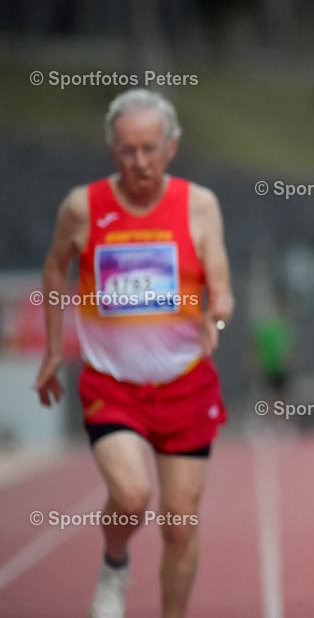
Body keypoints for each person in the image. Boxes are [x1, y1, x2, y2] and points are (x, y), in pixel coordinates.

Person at [33, 89, 233, 618]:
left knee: (180, 525)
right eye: (127, 150)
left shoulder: (200, 204)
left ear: (172, 146)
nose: (139, 162)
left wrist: (214, 319)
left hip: (186, 384)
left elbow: (223, 290)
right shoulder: (83, 207)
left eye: (149, 148)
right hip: (112, 386)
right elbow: (55, 270)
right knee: (130, 494)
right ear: (111, 149)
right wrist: (55, 349)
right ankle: (115, 563)